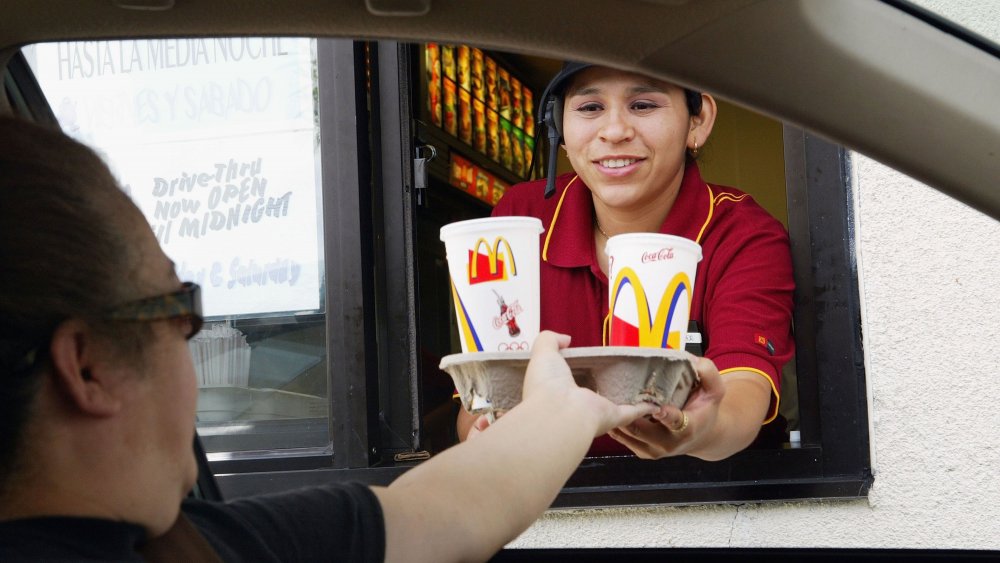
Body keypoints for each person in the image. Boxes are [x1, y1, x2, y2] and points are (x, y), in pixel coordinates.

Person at [0, 116, 661, 562]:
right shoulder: (218, 544)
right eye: (180, 305)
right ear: (87, 367)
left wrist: (562, 404)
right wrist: (571, 398)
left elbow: (456, 503)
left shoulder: (193, 538)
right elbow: (451, 513)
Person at [457, 62, 795, 461]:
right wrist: (485, 440)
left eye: (643, 105)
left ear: (698, 120)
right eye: (589, 108)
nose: (614, 131)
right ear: (557, 126)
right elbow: (478, 401)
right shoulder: (522, 219)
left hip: (713, 503)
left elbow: (742, 396)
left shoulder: (744, 234)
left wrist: (697, 431)